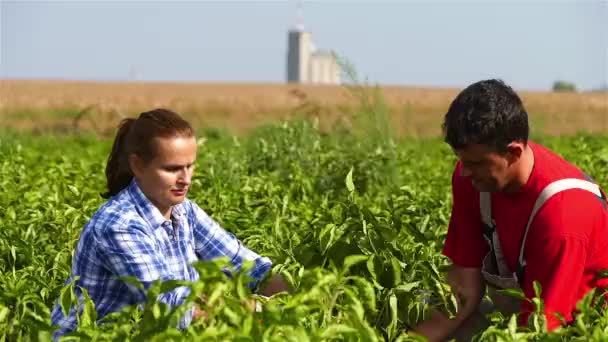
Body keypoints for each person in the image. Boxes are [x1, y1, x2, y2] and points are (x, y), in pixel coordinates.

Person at [50, 108, 290, 338]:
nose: (185, 179)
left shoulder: (184, 211)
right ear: (138, 166)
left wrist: (309, 290)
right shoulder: (119, 225)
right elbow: (172, 308)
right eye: (172, 168)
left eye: (190, 166)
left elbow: (248, 267)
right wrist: (259, 310)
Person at [412, 79, 608, 341]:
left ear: (513, 153)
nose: (465, 171)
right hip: (530, 312)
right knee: (423, 304)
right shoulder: (472, 180)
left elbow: (543, 330)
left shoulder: (562, 216)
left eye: (476, 163)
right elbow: (462, 286)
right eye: (462, 160)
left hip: (581, 325)